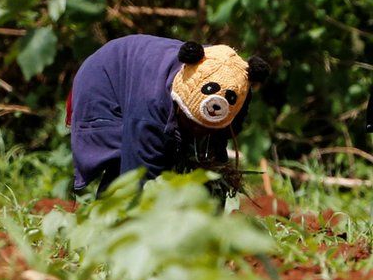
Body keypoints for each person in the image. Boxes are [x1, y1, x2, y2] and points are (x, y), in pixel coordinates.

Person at [67, 34, 269, 196]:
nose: (200, 132)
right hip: (105, 80)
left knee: (198, 159)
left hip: (147, 83)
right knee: (127, 173)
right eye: (195, 124)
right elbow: (140, 178)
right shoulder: (150, 109)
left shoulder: (237, 87)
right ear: (180, 106)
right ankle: (107, 232)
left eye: (207, 128)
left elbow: (214, 164)